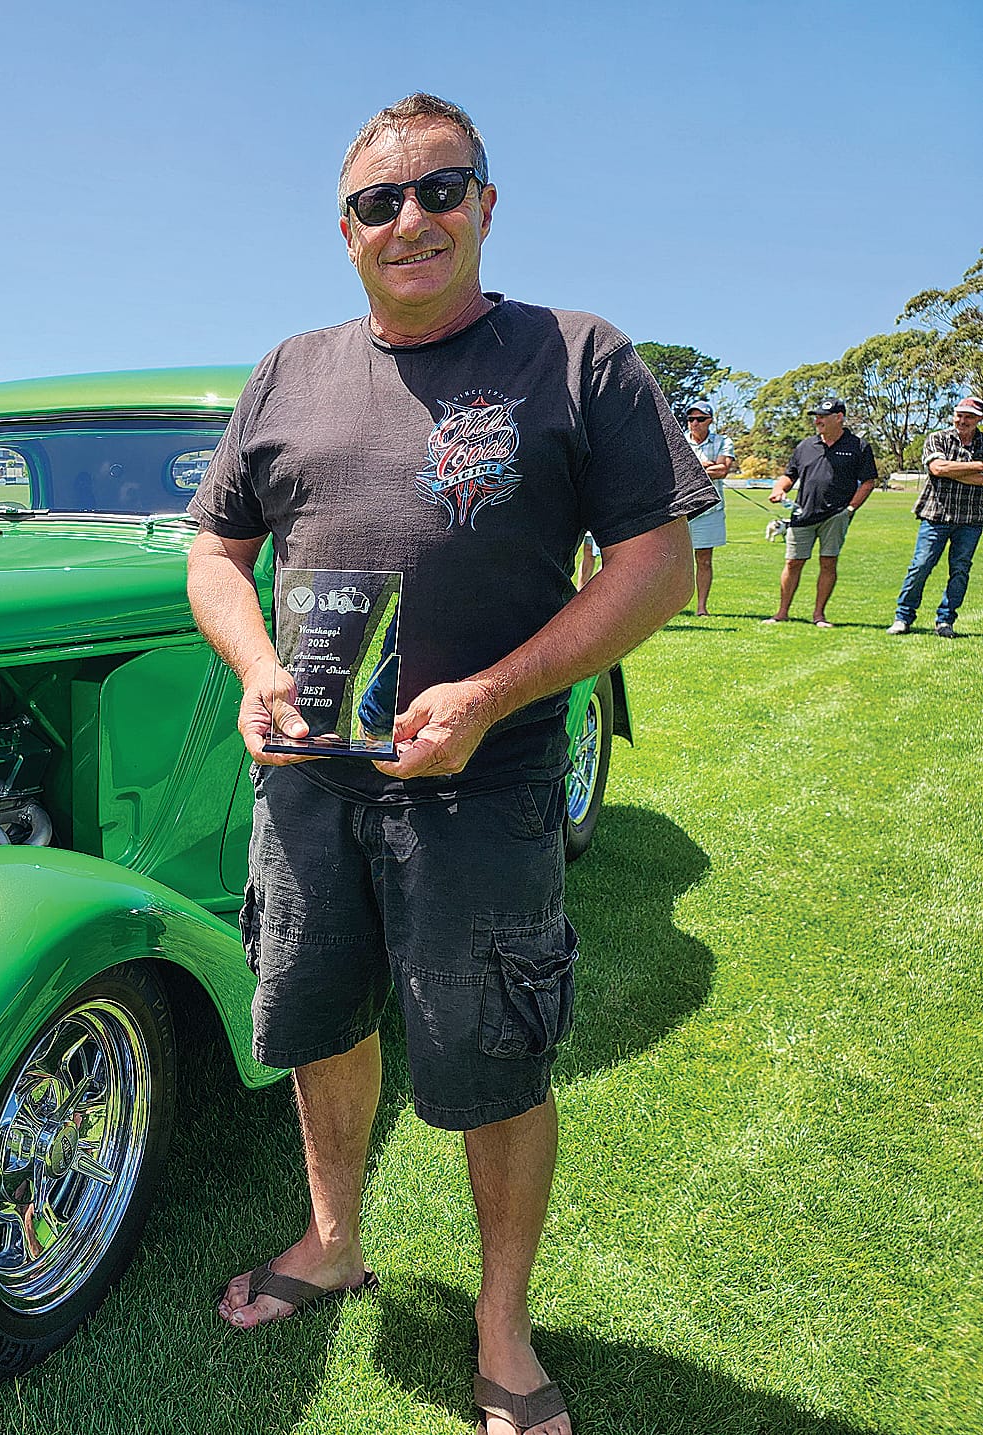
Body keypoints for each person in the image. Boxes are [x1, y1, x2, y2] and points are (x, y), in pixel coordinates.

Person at [185, 93, 711, 1435]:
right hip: (310, 776)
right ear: (344, 228)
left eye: (438, 190)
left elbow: (654, 565)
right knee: (322, 1020)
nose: (407, 219)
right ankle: (331, 1234)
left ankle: (500, 1321)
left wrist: (490, 691)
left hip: (483, 782)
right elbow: (216, 553)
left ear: (485, 204)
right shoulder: (286, 369)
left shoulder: (573, 354)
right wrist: (254, 667)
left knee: (493, 1054)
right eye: (378, 201)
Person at [764, 398, 878, 627]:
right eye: (816, 417)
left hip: (836, 516)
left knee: (828, 563)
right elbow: (790, 475)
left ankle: (819, 615)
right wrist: (779, 489)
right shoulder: (805, 446)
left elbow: (868, 482)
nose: (818, 421)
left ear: (839, 417)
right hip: (802, 514)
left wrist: (850, 509)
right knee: (793, 563)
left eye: (823, 416)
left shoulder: (858, 446)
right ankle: (781, 613)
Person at [888, 394, 983, 638]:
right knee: (921, 565)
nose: (962, 420)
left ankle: (945, 621)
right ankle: (903, 617)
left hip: (971, 519)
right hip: (935, 516)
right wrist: (978, 465)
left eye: (969, 416)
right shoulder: (937, 438)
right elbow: (937, 468)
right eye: (959, 415)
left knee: (960, 570)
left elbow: (948, 470)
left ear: (979, 419)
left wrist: (951, 470)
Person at [682, 401, 733, 615]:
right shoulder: (679, 440)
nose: (695, 423)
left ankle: (702, 608)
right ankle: (675, 606)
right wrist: (705, 465)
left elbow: (723, 470)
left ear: (710, 420)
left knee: (704, 560)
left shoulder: (723, 441)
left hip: (709, 510)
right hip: (682, 510)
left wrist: (692, 466)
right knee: (675, 561)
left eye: (700, 419)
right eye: (691, 419)